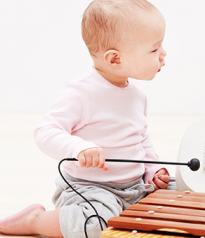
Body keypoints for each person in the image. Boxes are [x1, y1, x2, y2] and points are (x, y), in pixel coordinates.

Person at [0, 0, 169, 237]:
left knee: (172, 196)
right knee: (94, 223)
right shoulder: (81, 93)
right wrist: (79, 148)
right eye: (154, 49)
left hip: (133, 187)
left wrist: (153, 169)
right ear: (114, 59)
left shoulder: (137, 96)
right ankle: (35, 221)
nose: (163, 54)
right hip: (88, 188)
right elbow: (45, 131)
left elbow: (140, 140)